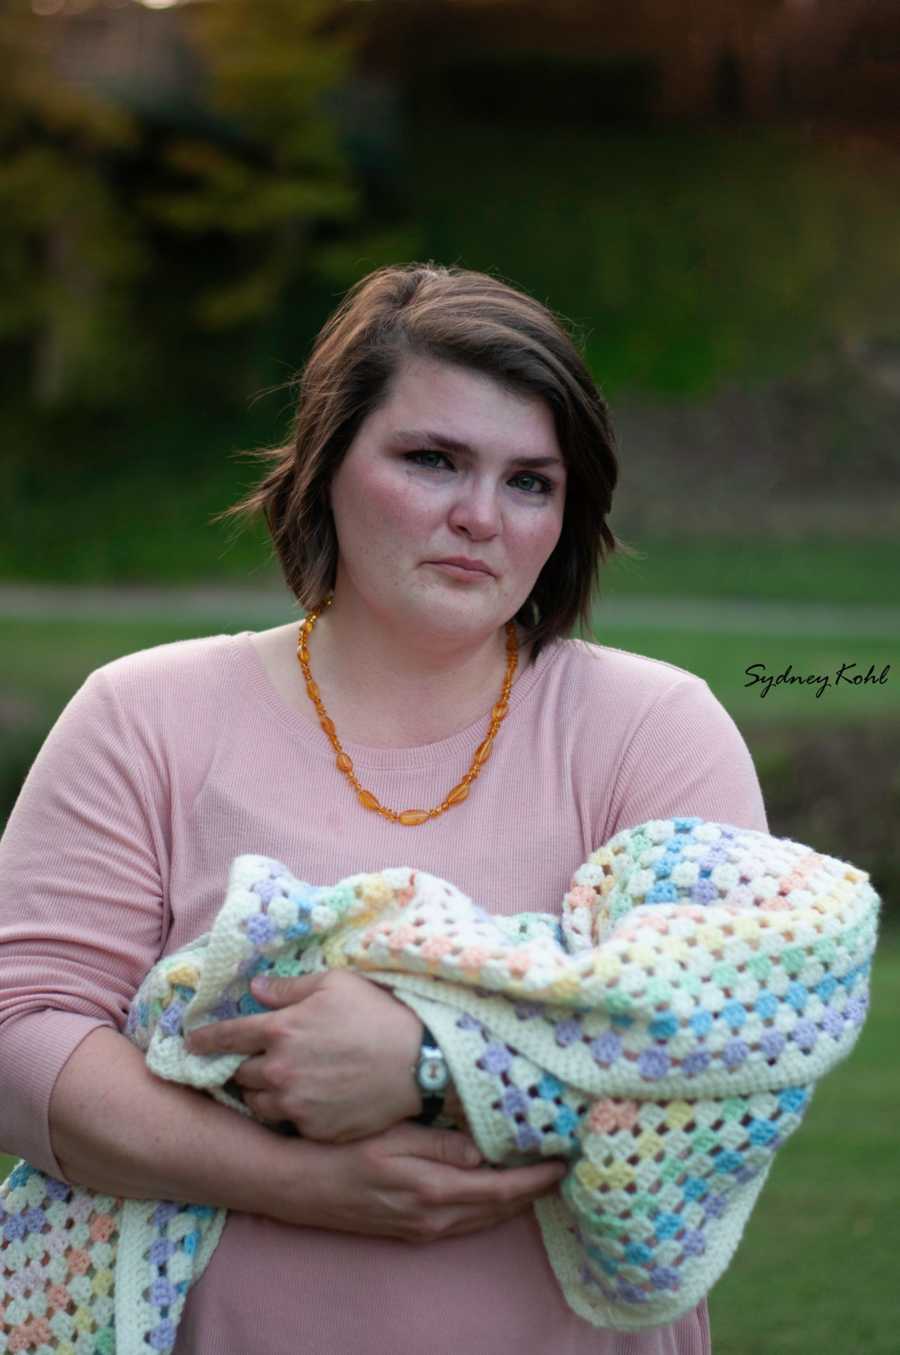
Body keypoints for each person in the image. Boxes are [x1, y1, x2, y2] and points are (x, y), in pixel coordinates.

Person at [0, 262, 767, 1354]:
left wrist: (428, 1057)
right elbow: (21, 1034)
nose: (478, 516)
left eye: (530, 481)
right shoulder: (146, 715)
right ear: (327, 464)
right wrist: (300, 1178)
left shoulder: (653, 728)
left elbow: (727, 1050)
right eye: (432, 458)